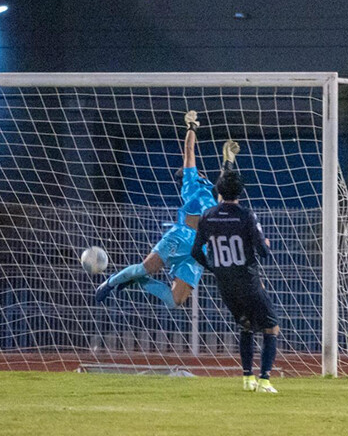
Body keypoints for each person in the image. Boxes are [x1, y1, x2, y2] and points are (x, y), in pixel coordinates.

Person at [95, 110, 239, 308]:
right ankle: (111, 282)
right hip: (180, 237)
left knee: (174, 301)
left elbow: (226, 191)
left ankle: (137, 281)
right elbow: (189, 150)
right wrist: (191, 127)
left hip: (198, 251)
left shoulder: (213, 195)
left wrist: (228, 161)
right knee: (145, 268)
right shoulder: (190, 184)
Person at [191, 170, 280, 394]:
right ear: (240, 191)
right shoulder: (245, 215)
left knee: (246, 326)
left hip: (225, 285)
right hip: (248, 282)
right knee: (271, 327)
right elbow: (263, 252)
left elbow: (196, 252)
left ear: (219, 190)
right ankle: (265, 380)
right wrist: (267, 244)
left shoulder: (207, 216)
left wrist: (214, 268)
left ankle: (247, 378)